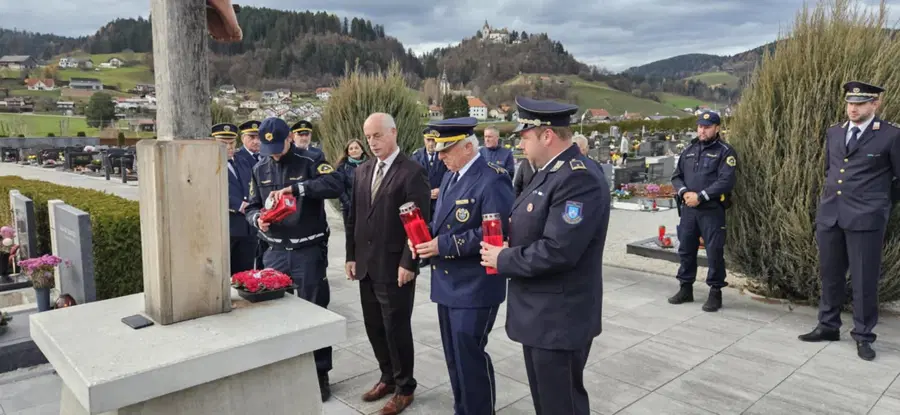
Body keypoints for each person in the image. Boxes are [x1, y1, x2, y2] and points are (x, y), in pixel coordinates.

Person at [479, 96, 609, 415]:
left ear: (547, 135)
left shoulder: (577, 178)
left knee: (561, 405)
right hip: (541, 316)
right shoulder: (548, 171)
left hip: (559, 319)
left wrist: (503, 258)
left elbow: (559, 250)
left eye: (525, 137)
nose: (520, 144)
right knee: (547, 403)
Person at [409, 117, 514, 415]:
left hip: (476, 283)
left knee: (470, 356)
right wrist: (423, 239)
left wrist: (442, 245)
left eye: (446, 149)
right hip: (447, 283)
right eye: (439, 149)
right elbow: (442, 222)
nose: (440, 155)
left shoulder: (492, 178)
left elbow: (497, 232)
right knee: (454, 357)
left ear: (468, 147)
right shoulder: (450, 177)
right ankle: (462, 409)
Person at [799, 81, 900, 361]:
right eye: (850, 103)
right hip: (831, 214)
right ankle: (828, 325)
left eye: (860, 104)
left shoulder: (891, 135)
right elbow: (830, 170)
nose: (853, 109)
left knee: (864, 279)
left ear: (875, 104)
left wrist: (880, 205)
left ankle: (864, 335)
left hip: (866, 218)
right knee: (830, 275)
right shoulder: (835, 132)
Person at [244, 117, 343, 400]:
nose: (274, 154)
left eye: (278, 147)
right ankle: (284, 368)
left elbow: (335, 184)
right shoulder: (259, 168)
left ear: (289, 138)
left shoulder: (311, 160)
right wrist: (257, 219)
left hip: (307, 252)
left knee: (315, 312)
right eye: (269, 149)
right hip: (275, 253)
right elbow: (251, 206)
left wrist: (299, 189)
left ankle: (320, 372)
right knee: (276, 315)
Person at [345, 113, 431, 415]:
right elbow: (353, 217)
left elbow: (419, 223)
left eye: (378, 135)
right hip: (367, 265)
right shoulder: (363, 170)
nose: (372, 142)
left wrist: (409, 262)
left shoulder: (412, 172)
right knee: (374, 326)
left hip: (395, 267)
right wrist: (351, 255)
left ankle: (405, 387)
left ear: (393, 133)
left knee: (396, 328)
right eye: (368, 137)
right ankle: (387, 376)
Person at [668, 111, 736, 312]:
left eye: (707, 127)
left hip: (711, 210)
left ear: (717, 128)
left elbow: (726, 181)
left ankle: (715, 292)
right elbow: (676, 176)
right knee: (686, 249)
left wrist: (701, 196)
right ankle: (685, 288)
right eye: (700, 127)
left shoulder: (725, 152)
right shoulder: (689, 150)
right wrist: (684, 192)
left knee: (714, 251)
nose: (702, 130)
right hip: (689, 210)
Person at [211, 122, 254, 274]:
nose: (229, 147)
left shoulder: (242, 161)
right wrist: (238, 205)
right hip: (227, 226)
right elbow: (213, 189)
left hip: (247, 228)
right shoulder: (208, 164)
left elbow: (251, 186)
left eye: (232, 143)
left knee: (245, 272)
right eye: (224, 143)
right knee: (224, 272)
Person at [236, 120, 265, 269]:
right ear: (243, 138)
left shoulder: (266, 156)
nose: (256, 141)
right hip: (244, 217)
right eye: (251, 137)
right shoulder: (237, 157)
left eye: (259, 137)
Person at [411, 127, 450, 217]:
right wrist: (426, 192)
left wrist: (441, 189)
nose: (431, 144)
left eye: (433, 140)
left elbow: (451, 174)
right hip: (422, 201)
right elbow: (412, 180)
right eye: (428, 140)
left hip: (440, 200)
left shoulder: (445, 154)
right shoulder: (416, 157)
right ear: (424, 140)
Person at [336, 139, 370, 226]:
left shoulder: (370, 164)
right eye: (351, 149)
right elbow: (339, 188)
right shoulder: (342, 167)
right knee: (351, 232)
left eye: (356, 148)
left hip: (368, 207)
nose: (354, 150)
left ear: (362, 150)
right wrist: (348, 204)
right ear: (348, 152)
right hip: (349, 208)